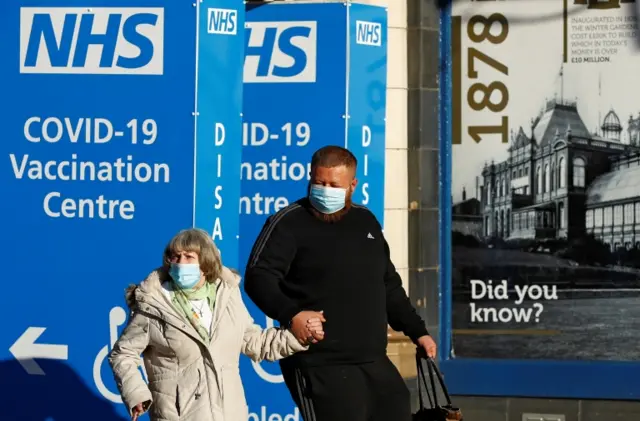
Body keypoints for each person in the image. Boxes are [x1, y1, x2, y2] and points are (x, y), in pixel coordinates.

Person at [244, 145, 437, 421]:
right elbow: (258, 277)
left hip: (372, 358)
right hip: (318, 362)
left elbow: (388, 283)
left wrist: (417, 331)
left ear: (352, 184)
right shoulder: (288, 222)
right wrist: (292, 314)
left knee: (398, 405)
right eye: (318, 182)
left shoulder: (365, 221)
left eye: (334, 184)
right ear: (310, 178)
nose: (325, 189)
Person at [108, 228, 325, 421]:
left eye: (188, 257)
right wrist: (137, 393)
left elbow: (254, 341)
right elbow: (122, 354)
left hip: (229, 413)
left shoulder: (227, 295)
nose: (180, 263)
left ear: (205, 264)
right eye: (175, 257)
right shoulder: (153, 304)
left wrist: (298, 337)